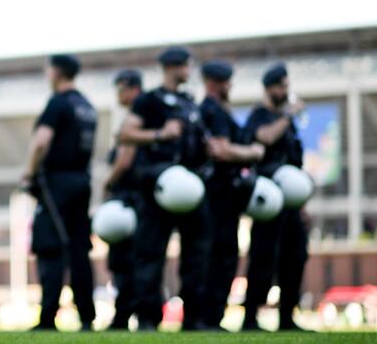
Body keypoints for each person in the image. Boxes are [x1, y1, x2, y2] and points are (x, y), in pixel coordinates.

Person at [118, 46, 211, 331]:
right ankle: (147, 317)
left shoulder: (190, 102)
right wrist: (160, 133)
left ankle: (193, 317)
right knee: (150, 253)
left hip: (192, 186)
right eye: (186, 65)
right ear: (173, 67)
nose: (189, 70)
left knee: (196, 254)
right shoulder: (149, 101)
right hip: (157, 187)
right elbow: (125, 133)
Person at [22, 54, 97, 331]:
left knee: (50, 247)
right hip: (81, 182)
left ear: (56, 72)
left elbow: (41, 141)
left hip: (56, 184)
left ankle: (48, 318)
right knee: (79, 249)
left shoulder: (58, 103)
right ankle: (87, 317)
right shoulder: (86, 106)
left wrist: (28, 172)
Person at [241, 63, 310, 331]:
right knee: (263, 256)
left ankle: (287, 316)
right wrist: (288, 116)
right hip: (268, 201)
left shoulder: (287, 124)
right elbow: (265, 138)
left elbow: (295, 165)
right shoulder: (261, 116)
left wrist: (302, 203)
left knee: (296, 255)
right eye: (281, 86)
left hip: (290, 202)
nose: (286, 90)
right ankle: (251, 316)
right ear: (270, 88)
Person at [198, 61, 265, 330]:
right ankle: (208, 316)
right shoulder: (212, 110)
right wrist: (253, 152)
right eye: (227, 82)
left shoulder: (219, 110)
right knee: (219, 254)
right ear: (215, 83)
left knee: (225, 254)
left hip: (226, 194)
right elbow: (222, 151)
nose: (231, 87)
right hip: (217, 194)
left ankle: (214, 316)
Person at [102, 69, 143, 330]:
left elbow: (125, 159)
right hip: (137, 199)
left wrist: (107, 183)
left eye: (120, 89)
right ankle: (132, 313)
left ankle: (124, 315)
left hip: (129, 198)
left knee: (124, 261)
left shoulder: (136, 117)